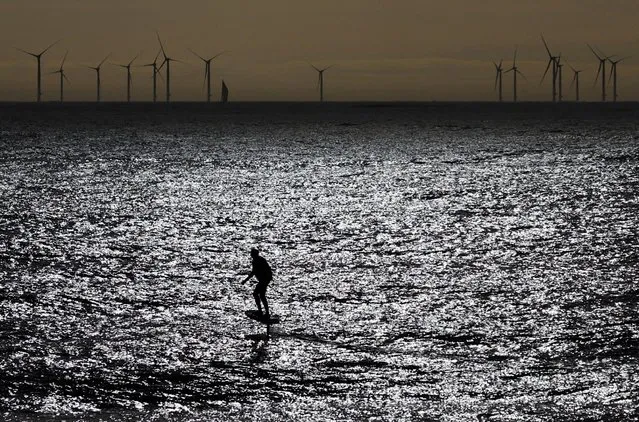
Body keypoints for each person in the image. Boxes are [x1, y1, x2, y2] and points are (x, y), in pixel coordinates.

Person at [242, 248, 272, 318]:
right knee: (261, 295)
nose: (251, 255)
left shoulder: (256, 261)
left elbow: (253, 272)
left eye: (251, 254)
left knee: (257, 294)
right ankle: (265, 312)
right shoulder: (261, 259)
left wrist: (245, 280)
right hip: (265, 279)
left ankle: (262, 312)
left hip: (264, 280)